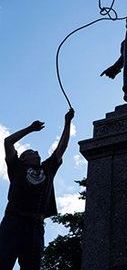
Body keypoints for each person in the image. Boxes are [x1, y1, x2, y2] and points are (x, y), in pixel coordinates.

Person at [0, 108, 75, 269]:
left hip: (35, 226)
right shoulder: (16, 167)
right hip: (14, 221)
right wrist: (30, 129)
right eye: (32, 152)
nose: (37, 153)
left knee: (32, 266)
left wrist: (67, 122)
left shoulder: (47, 168)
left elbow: (62, 146)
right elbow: (8, 142)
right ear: (24, 158)